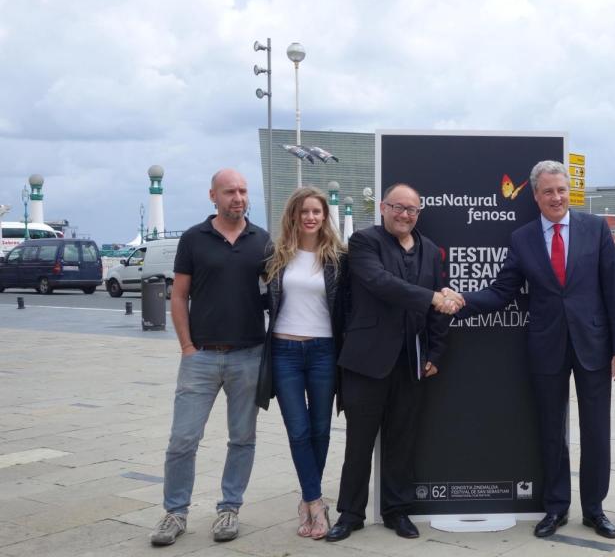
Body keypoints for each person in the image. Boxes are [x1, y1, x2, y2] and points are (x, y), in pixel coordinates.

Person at [451, 160, 615, 540]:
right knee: (551, 432)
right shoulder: (522, 238)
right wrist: (462, 299)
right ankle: (555, 508)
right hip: (546, 346)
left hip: (594, 346)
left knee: (597, 431)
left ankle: (595, 510)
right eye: (548, 191)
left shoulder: (595, 228)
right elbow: (503, 291)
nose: (556, 197)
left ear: (570, 192)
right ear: (535, 196)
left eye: (562, 190)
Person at [325, 183, 457, 542]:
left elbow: (438, 309)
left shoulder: (430, 251)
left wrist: (435, 354)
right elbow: (380, 283)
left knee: (402, 442)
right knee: (359, 443)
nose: (404, 215)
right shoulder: (364, 243)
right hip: (367, 361)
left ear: (419, 214)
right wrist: (433, 298)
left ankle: (397, 511)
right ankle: (350, 514)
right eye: (398, 207)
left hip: (411, 362)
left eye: (412, 209)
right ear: (383, 208)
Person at [150, 169, 271, 546]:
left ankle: (229, 508)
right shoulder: (193, 239)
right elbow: (178, 295)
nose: (238, 197)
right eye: (230, 191)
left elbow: (275, 295)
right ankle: (175, 513)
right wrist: (186, 347)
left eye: (243, 191)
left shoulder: (262, 241)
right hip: (200, 356)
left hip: (249, 355)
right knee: (182, 439)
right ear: (213, 196)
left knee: (242, 438)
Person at [257, 187, 347, 540]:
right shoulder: (276, 255)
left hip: (324, 351)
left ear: (325, 216)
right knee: (298, 431)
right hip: (285, 352)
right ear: (293, 216)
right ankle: (315, 501)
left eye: (317, 212)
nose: (310, 217)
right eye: (304, 211)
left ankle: (310, 501)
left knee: (321, 430)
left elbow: (348, 307)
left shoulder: (338, 257)